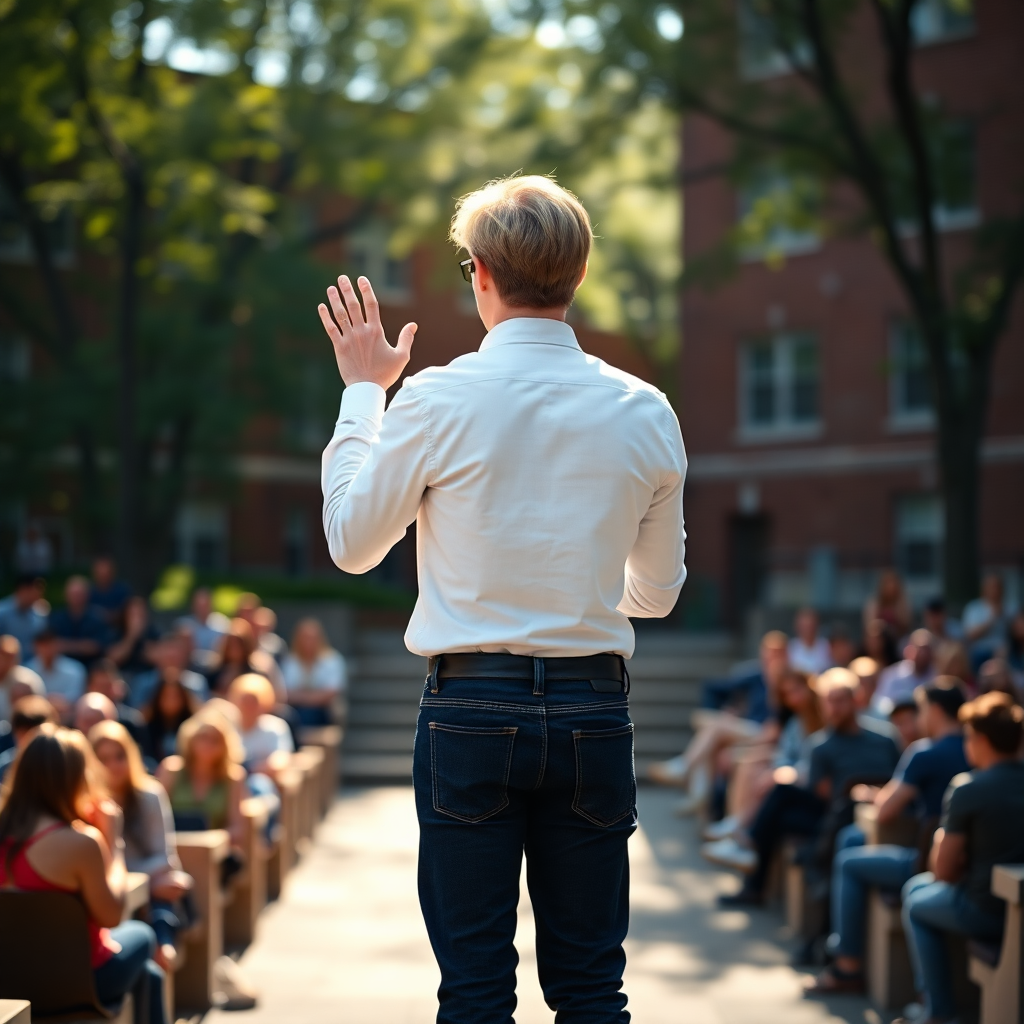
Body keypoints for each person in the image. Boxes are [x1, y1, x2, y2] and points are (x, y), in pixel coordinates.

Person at [317, 174, 685, 1023]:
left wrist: (364, 391)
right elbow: (657, 596)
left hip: (469, 709)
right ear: (578, 276)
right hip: (594, 706)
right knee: (593, 988)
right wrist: (575, 588)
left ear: (479, 272)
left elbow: (350, 543)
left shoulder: (437, 398)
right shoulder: (646, 409)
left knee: (476, 990)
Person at [804, 679, 969, 995]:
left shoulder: (924, 752)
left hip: (930, 862)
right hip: (962, 858)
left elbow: (885, 812)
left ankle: (847, 964)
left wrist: (870, 794)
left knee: (849, 862)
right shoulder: (976, 750)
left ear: (934, 710)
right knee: (852, 839)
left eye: (920, 710)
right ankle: (840, 941)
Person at [0, 725, 169, 1024]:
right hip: (78, 985)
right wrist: (112, 842)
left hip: (10, 981)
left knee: (149, 975)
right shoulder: (80, 842)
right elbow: (111, 916)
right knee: (144, 934)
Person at [710, 668, 901, 904]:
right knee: (778, 804)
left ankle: (750, 856)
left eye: (840, 701)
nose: (834, 708)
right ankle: (751, 861)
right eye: (829, 702)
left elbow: (826, 793)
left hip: (849, 816)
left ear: (855, 700)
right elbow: (819, 789)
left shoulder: (884, 740)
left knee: (779, 803)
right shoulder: (820, 745)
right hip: (835, 813)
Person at [898, 692, 1024, 1024]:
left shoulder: (968, 788)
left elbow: (942, 871)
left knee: (915, 902)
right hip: (1013, 905)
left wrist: (942, 836)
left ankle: (937, 1011)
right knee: (916, 889)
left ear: (981, 740)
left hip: (986, 910)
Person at [648, 631, 788, 816]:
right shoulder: (755, 676)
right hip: (746, 731)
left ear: (786, 654)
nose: (771, 657)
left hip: (766, 735)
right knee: (712, 744)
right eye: (768, 652)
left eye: (776, 653)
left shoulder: (787, 679)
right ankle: (699, 802)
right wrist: (731, 709)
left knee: (713, 726)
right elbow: (713, 687)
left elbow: (781, 718)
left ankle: (684, 768)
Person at [90, 720, 193, 970]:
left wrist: (137, 880)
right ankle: (160, 945)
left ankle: (162, 943)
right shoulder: (88, 804)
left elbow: (165, 857)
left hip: (145, 890)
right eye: (103, 759)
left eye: (119, 756)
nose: (113, 766)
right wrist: (149, 882)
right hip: (116, 895)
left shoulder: (150, 794)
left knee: (168, 891)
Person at [703, 667, 823, 845]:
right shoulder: (796, 721)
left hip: (810, 779)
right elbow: (786, 753)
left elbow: (816, 760)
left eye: (797, 690)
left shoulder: (822, 716)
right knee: (751, 763)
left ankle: (741, 832)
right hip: (795, 770)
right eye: (788, 693)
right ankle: (736, 827)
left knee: (767, 780)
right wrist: (781, 769)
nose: (794, 697)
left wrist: (782, 772)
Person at [157, 710, 246, 846]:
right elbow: (154, 815)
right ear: (191, 739)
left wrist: (210, 841)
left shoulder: (233, 777)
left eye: (215, 740)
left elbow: (237, 827)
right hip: (170, 845)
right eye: (203, 737)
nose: (207, 745)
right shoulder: (171, 770)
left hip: (213, 852)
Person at [281, 618, 347, 727]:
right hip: (295, 710)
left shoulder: (332, 660)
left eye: (312, 638)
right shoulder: (290, 661)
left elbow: (331, 692)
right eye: (305, 638)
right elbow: (286, 692)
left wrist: (302, 697)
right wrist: (314, 696)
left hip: (324, 711)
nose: (309, 642)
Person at [228, 673, 294, 777]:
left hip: (262, 780)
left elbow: (281, 760)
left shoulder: (275, 727)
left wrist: (251, 769)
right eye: (245, 700)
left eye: (253, 701)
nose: (248, 706)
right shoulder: (227, 726)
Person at [49, 575, 110, 668]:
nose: (75, 598)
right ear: (66, 595)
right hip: (62, 668)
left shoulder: (98, 617)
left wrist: (66, 645)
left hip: (91, 669)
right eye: (73, 594)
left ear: (87, 595)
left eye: (79, 594)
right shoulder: (56, 618)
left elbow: (96, 647)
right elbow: (53, 645)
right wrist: (82, 646)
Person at [141, 673, 200, 765]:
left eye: (175, 696)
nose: (171, 701)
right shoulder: (147, 727)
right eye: (166, 696)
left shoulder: (193, 728)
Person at [27, 629, 86, 720]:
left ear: (58, 645)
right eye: (43, 645)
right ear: (35, 647)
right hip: (35, 719)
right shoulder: (28, 670)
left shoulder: (75, 670)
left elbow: (76, 699)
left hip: (68, 720)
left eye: (50, 644)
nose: (47, 649)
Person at [873, 630, 937, 715]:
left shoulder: (937, 677)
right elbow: (879, 702)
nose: (923, 654)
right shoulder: (892, 674)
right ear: (909, 650)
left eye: (926, 649)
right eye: (919, 649)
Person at [86, 660, 147, 747]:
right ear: (90, 687)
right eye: (100, 686)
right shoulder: (79, 721)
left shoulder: (132, 723)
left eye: (108, 686)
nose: (104, 691)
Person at [0, 695, 59, 783]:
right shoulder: (6, 767)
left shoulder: (60, 765)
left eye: (34, 737)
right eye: (23, 736)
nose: (30, 744)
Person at [962, 573, 1011, 671]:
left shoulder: (1010, 609)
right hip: (979, 653)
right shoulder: (974, 608)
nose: (995, 590)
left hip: (1005, 654)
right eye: (991, 586)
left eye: (997, 586)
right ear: (984, 588)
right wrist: (992, 619)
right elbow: (970, 635)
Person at [107, 596, 160, 680]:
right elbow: (111, 659)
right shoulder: (116, 632)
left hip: (147, 677)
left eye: (140, 614)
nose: (137, 619)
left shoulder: (152, 632)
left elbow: (157, 658)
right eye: (133, 614)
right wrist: (131, 636)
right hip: (122, 676)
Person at [0, 635, 45, 723]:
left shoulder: (27, 681)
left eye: (11, 657)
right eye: (3, 656)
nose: (6, 661)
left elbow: (38, 714)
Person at [0, 575, 48, 654]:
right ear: (23, 590)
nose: (39, 596)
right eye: (36, 591)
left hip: (32, 665)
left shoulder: (40, 614)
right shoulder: (1, 613)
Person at [863, 570, 912, 641]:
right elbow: (869, 626)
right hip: (878, 641)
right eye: (888, 584)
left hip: (899, 640)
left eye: (893, 584)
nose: (891, 587)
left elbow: (905, 624)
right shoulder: (873, 603)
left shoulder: (903, 603)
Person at [175, 587, 226, 655]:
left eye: (205, 604)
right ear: (193, 605)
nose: (202, 608)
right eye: (199, 604)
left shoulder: (223, 623)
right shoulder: (183, 624)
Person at [88, 556, 132, 630]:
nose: (103, 573)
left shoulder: (123, 590)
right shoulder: (89, 591)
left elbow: (128, 612)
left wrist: (109, 616)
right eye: (100, 570)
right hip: (94, 631)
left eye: (106, 570)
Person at [788, 608, 832, 675]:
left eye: (811, 625)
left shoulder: (827, 646)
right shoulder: (790, 647)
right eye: (804, 625)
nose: (808, 629)